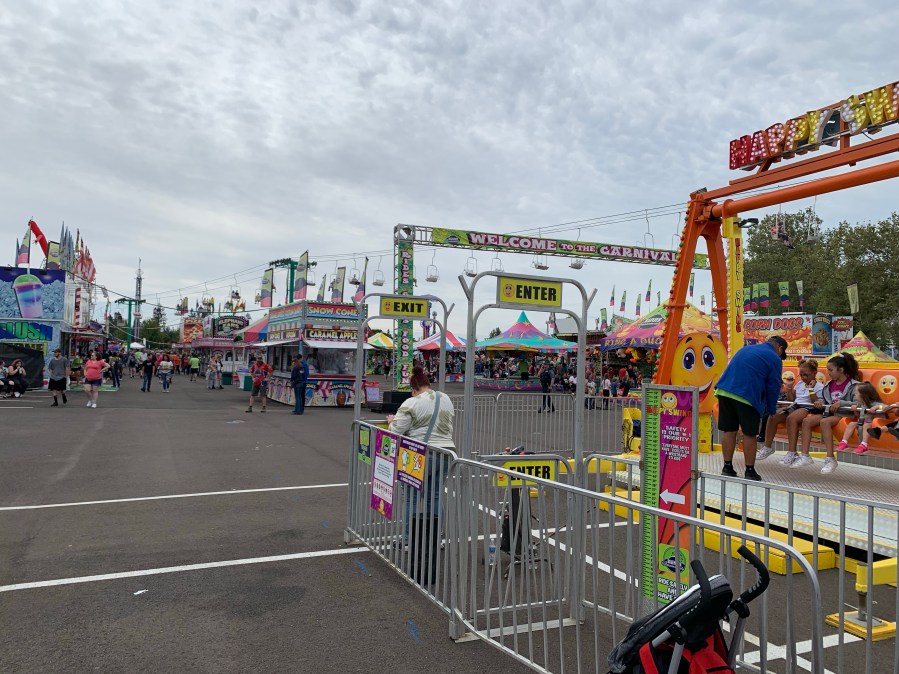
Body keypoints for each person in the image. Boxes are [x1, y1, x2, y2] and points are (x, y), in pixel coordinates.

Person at [386, 366, 455, 584]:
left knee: (411, 498)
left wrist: (390, 421)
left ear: (413, 388)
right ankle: (435, 538)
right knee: (435, 496)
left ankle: (408, 539)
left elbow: (395, 431)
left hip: (420, 454)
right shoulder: (445, 399)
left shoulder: (411, 403)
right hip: (446, 452)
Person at [714, 335, 788, 481]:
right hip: (746, 396)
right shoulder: (774, 358)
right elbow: (773, 385)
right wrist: (771, 409)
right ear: (780, 348)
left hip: (724, 391)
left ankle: (727, 467)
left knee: (729, 431)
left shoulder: (746, 349)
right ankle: (749, 470)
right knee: (749, 433)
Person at [791, 352, 862, 474]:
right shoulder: (829, 384)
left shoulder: (854, 385)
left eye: (830, 370)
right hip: (830, 412)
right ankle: (805, 455)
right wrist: (820, 402)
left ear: (841, 370)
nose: (828, 373)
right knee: (807, 421)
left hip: (844, 414)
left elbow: (858, 403)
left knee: (824, 422)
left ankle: (830, 458)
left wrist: (841, 403)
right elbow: (825, 400)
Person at [756, 359, 823, 462]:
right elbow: (792, 400)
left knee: (791, 419)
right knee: (772, 416)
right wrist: (789, 388)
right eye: (801, 375)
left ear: (814, 373)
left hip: (807, 408)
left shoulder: (819, 387)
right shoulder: (800, 384)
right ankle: (767, 447)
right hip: (795, 406)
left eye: (806, 375)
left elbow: (816, 402)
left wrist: (811, 389)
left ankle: (792, 452)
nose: (803, 378)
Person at [835, 382, 885, 455]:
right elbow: (859, 416)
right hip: (864, 422)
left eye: (856, 393)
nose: (855, 395)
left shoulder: (874, 403)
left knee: (866, 425)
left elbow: (885, 406)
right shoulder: (861, 404)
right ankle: (844, 442)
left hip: (875, 425)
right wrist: (855, 410)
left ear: (863, 395)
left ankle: (864, 444)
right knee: (852, 424)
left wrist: (877, 407)